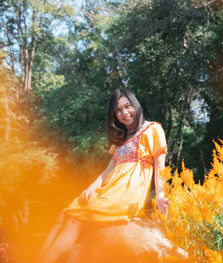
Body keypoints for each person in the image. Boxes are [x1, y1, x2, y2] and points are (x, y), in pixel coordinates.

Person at [37, 89, 182, 263]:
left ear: (135, 105)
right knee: (65, 215)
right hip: (109, 188)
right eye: (118, 110)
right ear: (114, 115)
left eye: (127, 106)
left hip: (126, 193)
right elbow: (108, 170)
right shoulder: (120, 140)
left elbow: (160, 167)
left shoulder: (153, 129)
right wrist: (92, 187)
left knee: (75, 222)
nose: (124, 113)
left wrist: (160, 195)